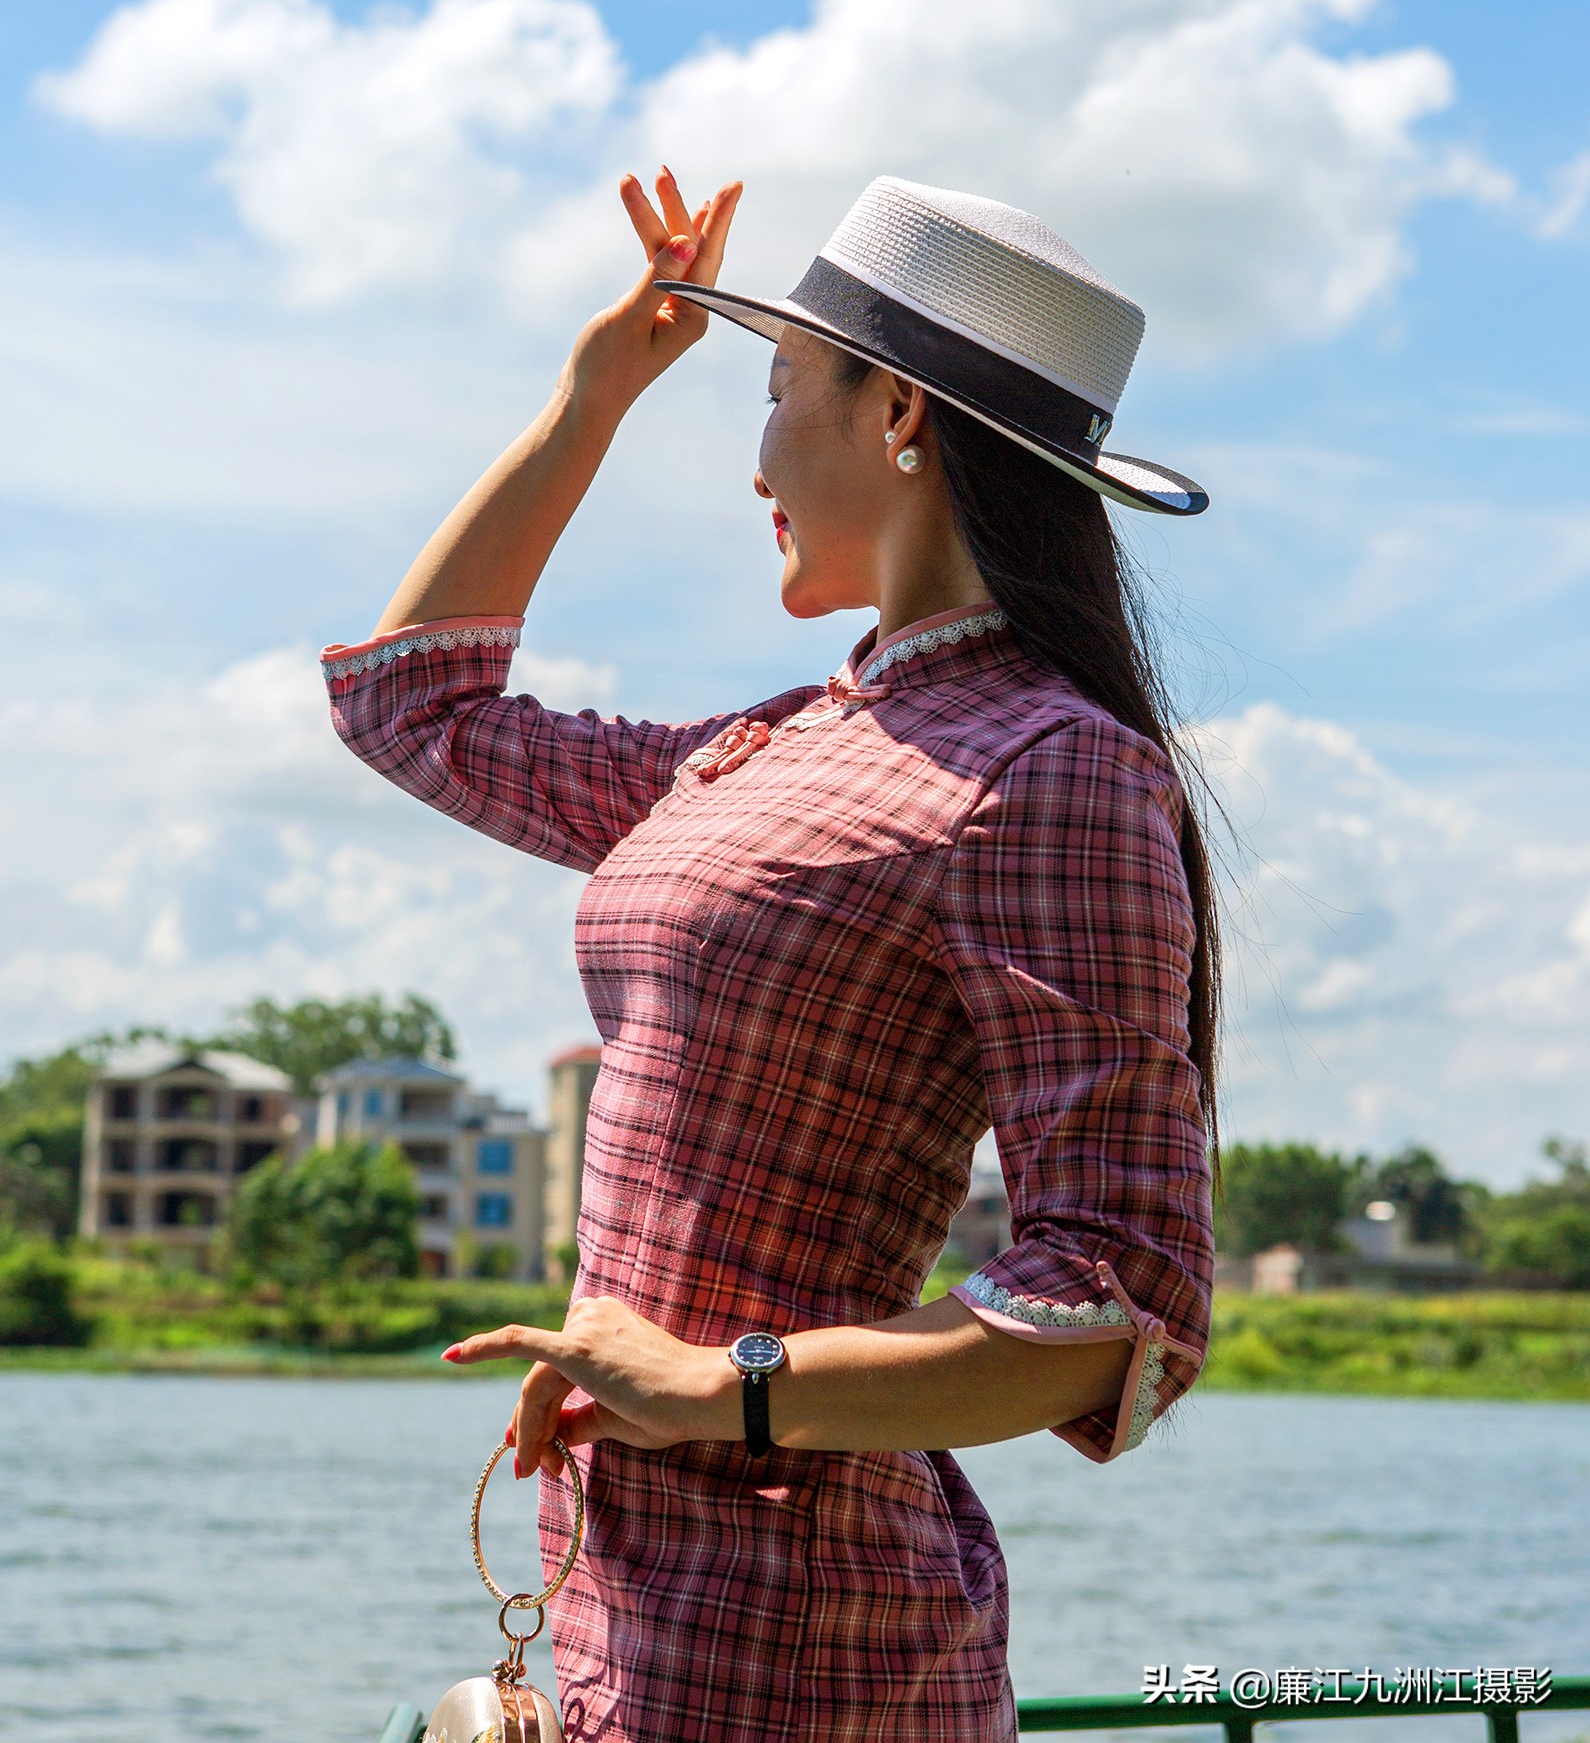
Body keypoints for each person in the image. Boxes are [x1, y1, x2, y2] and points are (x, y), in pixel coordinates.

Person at [321, 168, 1218, 1742]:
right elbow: (413, 705)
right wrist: (593, 396)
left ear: (900, 420)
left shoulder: (1049, 768)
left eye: (775, 389)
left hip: (803, 1644)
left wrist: (716, 1381)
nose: (751, 465)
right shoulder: (766, 751)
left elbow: (1115, 1300)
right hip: (623, 1597)